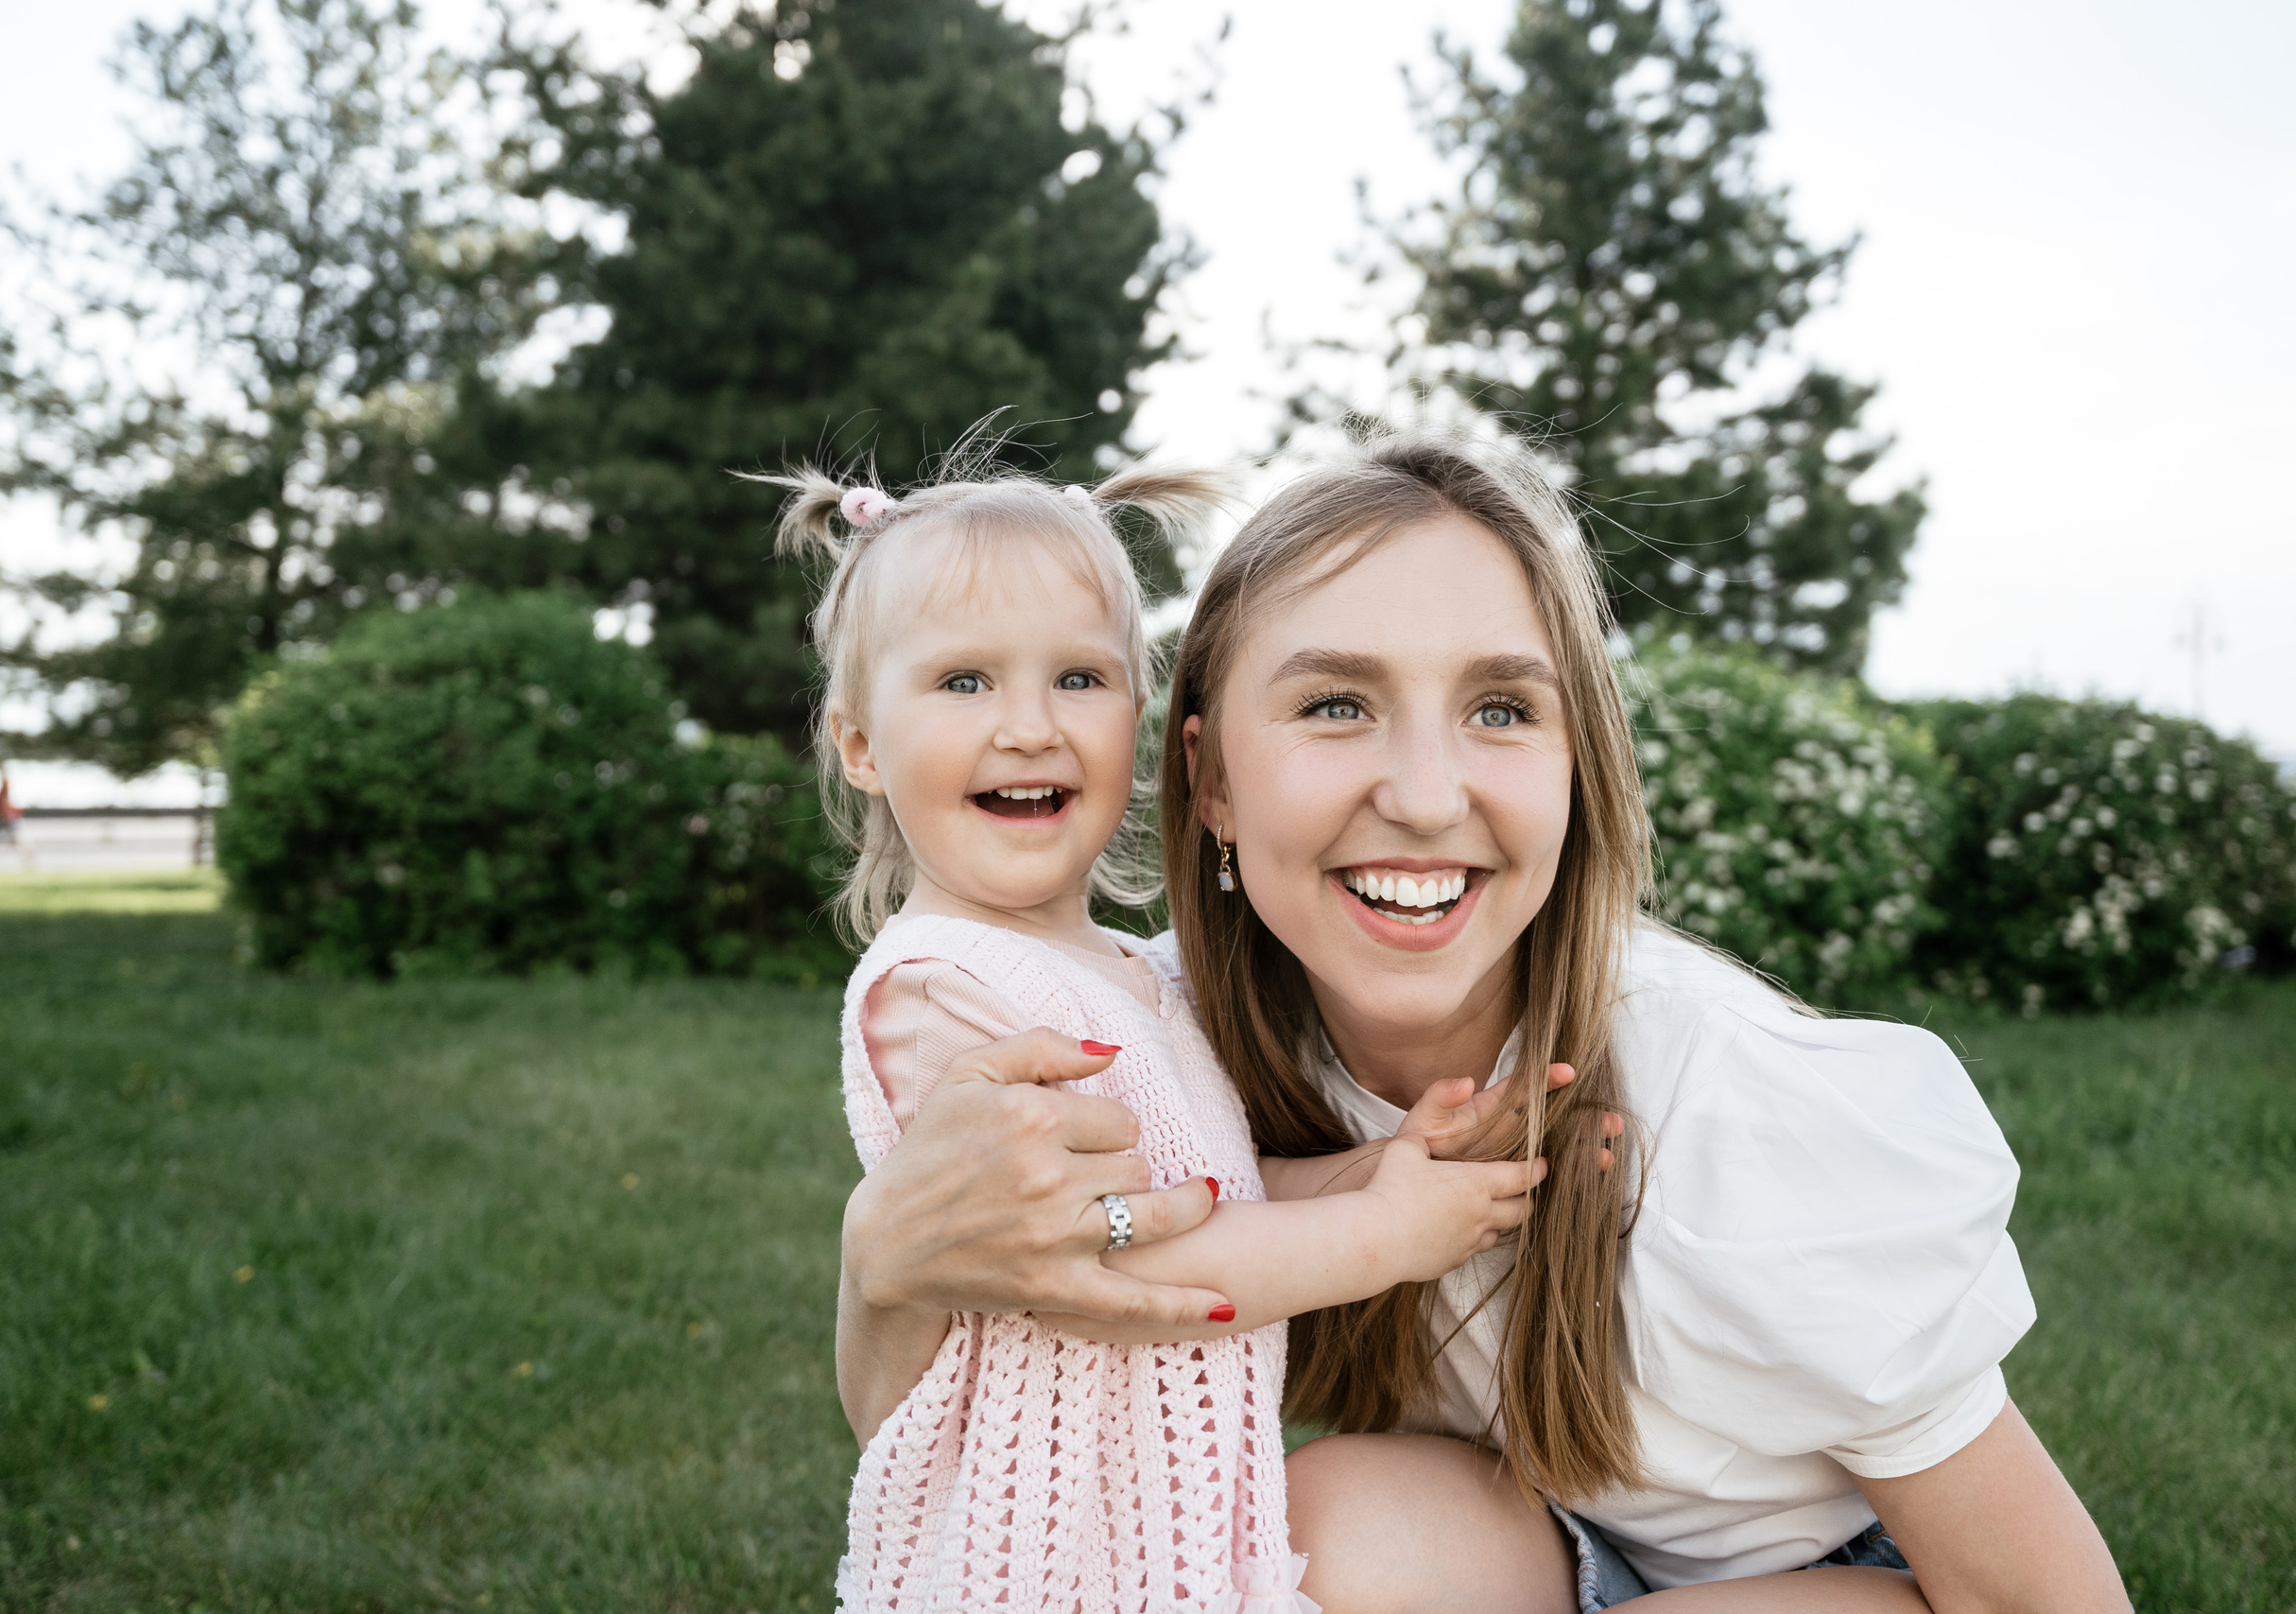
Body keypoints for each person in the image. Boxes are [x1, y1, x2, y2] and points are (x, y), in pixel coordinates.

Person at [837, 438, 2132, 1612]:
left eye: (1501, 707)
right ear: (1211, 778)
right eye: (1336, 703)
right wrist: (885, 1257)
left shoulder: (1734, 1103)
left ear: (1578, 766)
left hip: (1849, 1577)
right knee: (1310, 1536)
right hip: (1547, 1533)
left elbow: (2049, 1596)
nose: (1423, 791)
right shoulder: (1172, 1022)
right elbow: (953, 1398)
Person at [768, 455, 1583, 1613]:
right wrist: (1388, 1233)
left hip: (1164, 1535)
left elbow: (1199, 1194)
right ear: (858, 744)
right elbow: (1106, 1266)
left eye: (1079, 678)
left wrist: (1374, 1168)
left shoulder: (1133, 974)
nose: (1028, 728)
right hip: (1030, 1555)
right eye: (962, 682)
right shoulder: (942, 988)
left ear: (1140, 718)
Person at [0, 764, 31, 872]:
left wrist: (4, 817)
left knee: (7, 839)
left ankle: (27, 856)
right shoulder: (5, 786)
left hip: (3, 817)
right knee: (5, 839)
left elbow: (3, 804)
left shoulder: (5, 786)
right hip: (3, 817)